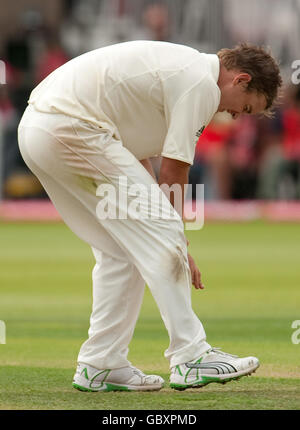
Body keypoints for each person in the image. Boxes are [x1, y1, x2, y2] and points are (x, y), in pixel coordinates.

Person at [18, 41, 282, 392]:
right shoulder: (200, 82)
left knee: (122, 250)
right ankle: (191, 357)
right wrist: (175, 238)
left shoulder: (181, 71)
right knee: (157, 229)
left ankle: (101, 363)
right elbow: (173, 173)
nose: (235, 116)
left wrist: (168, 236)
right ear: (241, 80)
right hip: (70, 128)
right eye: (245, 107)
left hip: (41, 130)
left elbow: (131, 154)